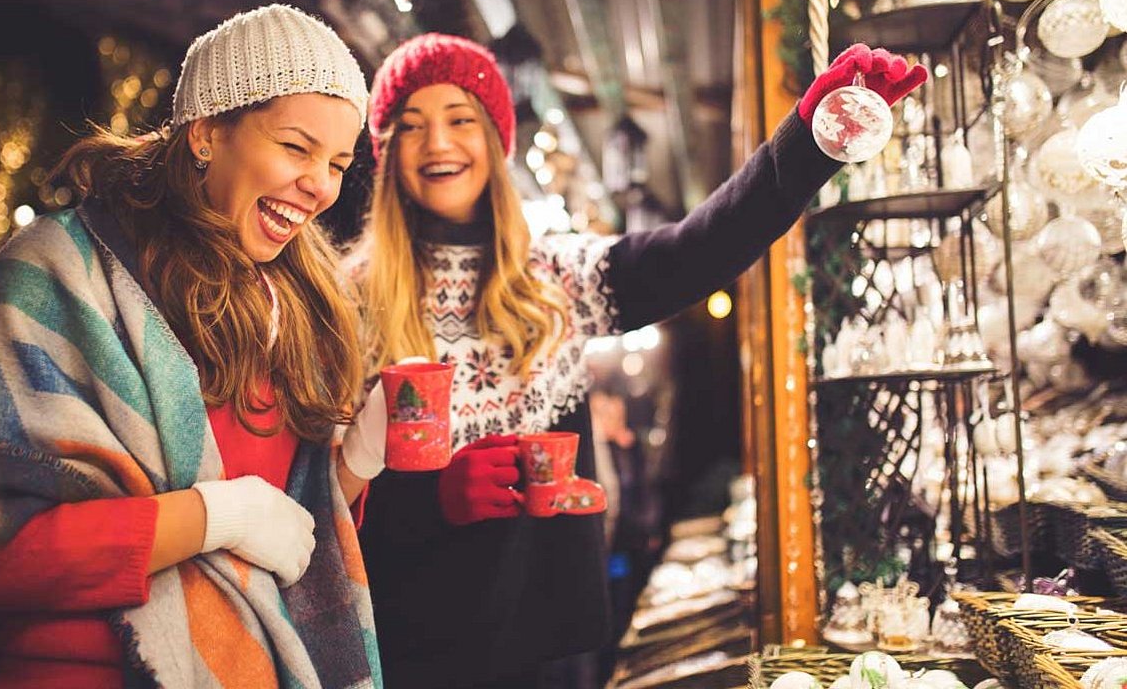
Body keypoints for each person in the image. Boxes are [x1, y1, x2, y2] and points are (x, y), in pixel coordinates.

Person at [348, 34, 926, 687]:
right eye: (412, 126)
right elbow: (318, 494)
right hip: (413, 651)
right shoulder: (350, 301)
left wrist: (808, 140)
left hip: (553, 649)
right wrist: (431, 502)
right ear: (386, 151)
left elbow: (699, 248)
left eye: (460, 120)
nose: (439, 144)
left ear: (495, 140)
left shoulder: (557, 278)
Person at [0, 4, 388, 689]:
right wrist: (213, 517)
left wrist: (358, 460)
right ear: (206, 133)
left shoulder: (297, 314)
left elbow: (289, 539)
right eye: (295, 147)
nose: (321, 185)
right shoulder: (56, 276)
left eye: (339, 162)